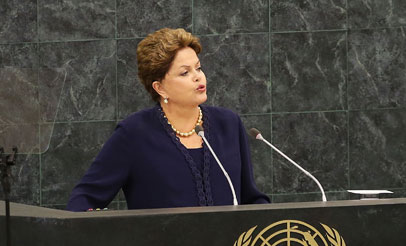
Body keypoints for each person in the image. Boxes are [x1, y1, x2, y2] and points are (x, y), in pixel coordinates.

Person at [66, 28, 270, 211]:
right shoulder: (134, 134)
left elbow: (250, 198)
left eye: (198, 68)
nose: (198, 77)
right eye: (185, 72)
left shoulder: (228, 124)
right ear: (160, 88)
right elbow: (83, 200)